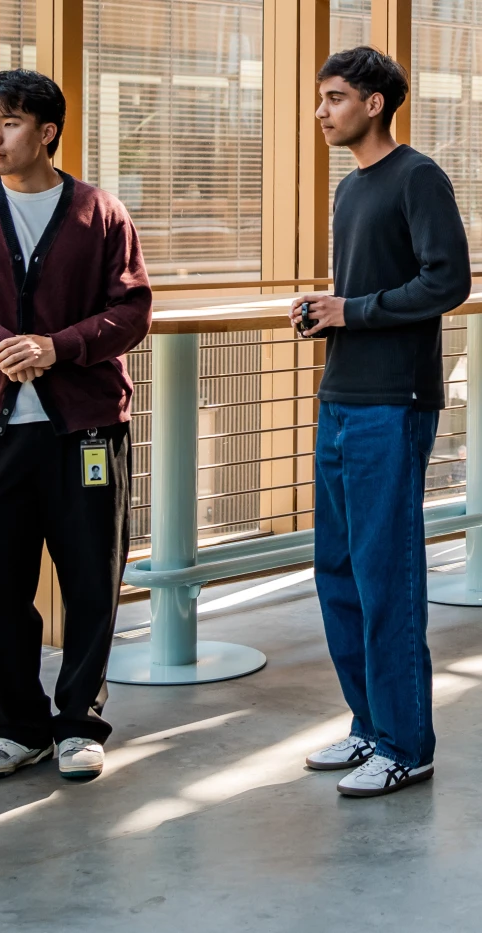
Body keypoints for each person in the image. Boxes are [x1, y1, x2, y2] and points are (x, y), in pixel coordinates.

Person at [0, 70, 151, 781]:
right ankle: (19, 726)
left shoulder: (100, 212)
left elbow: (132, 311)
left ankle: (79, 722)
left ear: (47, 132)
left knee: (90, 578)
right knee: (0, 582)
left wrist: (58, 346)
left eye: (10, 122)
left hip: (85, 429)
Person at [290, 48, 471, 797]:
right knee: (338, 571)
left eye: (334, 98)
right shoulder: (350, 188)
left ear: (373, 103)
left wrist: (351, 312)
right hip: (341, 398)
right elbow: (363, 290)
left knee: (385, 574)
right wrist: (325, 313)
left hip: (393, 404)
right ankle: (369, 727)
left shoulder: (418, 176)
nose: (321, 111)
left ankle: (407, 744)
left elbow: (449, 280)